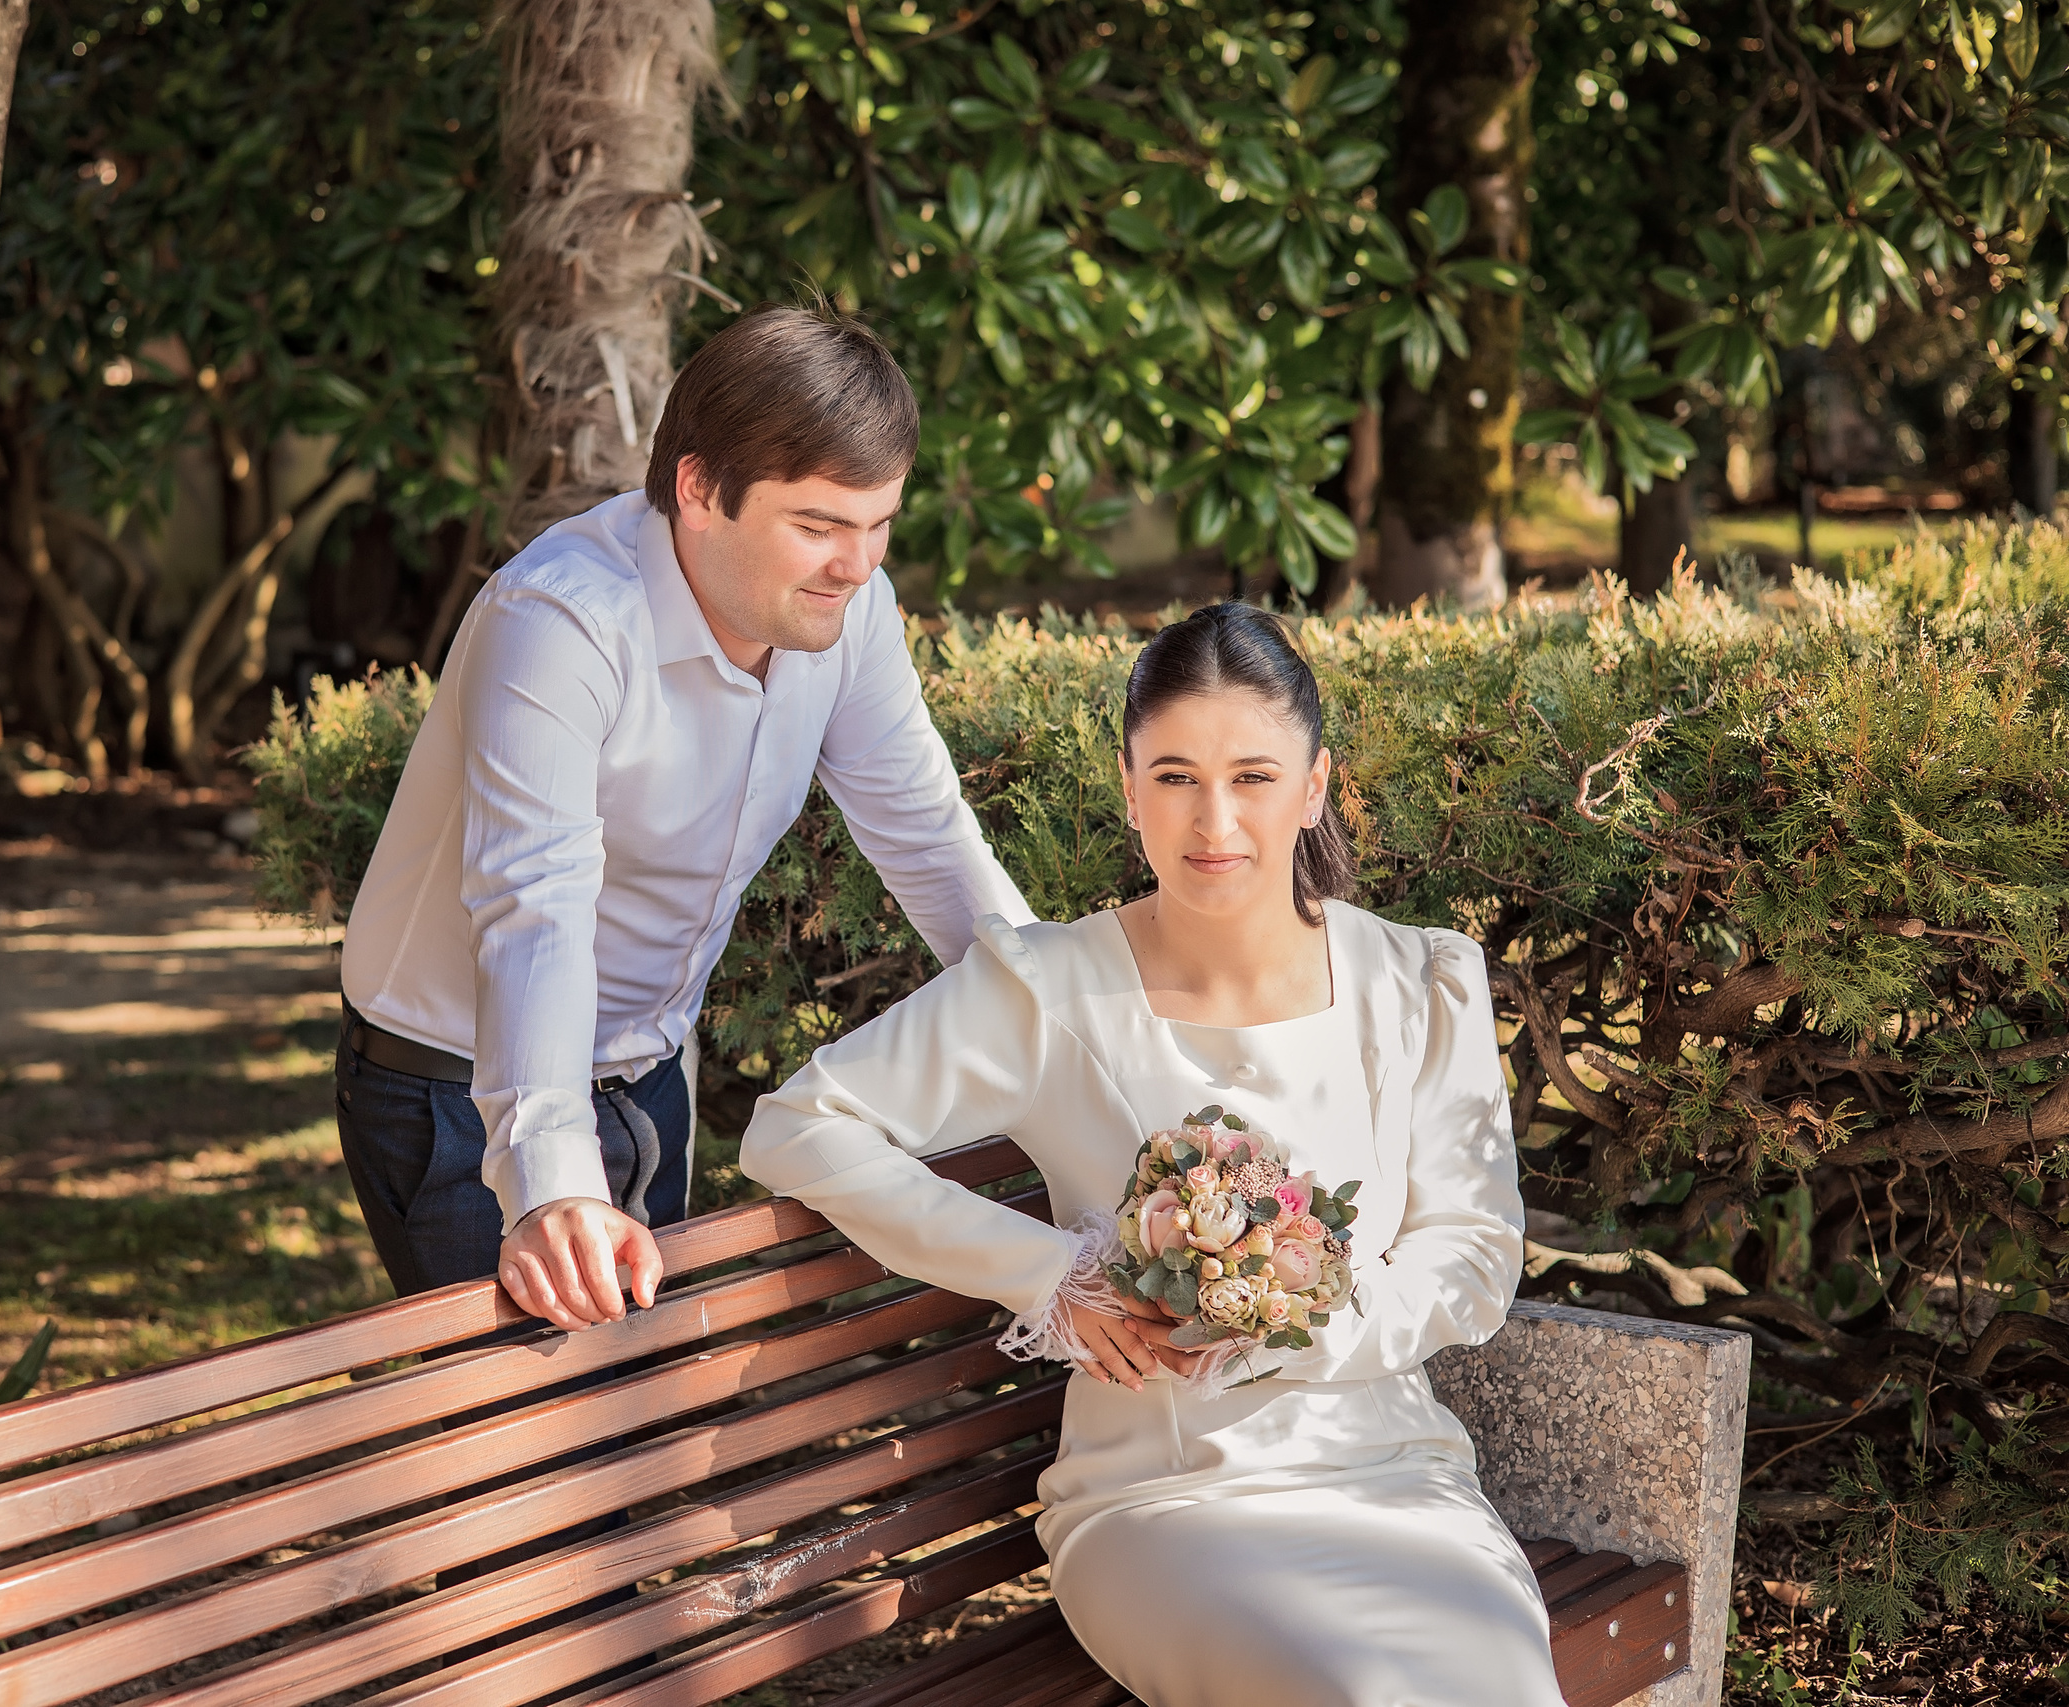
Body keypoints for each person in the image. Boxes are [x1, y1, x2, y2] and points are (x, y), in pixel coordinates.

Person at [739, 602, 1566, 1707]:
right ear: (1129, 790)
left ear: (1313, 786)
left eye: (1253, 778)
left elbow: (1469, 1253)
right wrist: (1050, 1277)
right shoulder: (1045, 989)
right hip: (1163, 1503)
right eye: (1173, 777)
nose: (1212, 821)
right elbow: (797, 1126)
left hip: (1394, 1479)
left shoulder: (1418, 982)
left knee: (1498, 1682)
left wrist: (1290, 1325)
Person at [335, 302, 1033, 1329]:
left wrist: (1072, 1029)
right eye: (818, 526)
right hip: (456, 1095)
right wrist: (555, 1184)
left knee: (628, 1437)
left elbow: (926, 836)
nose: (859, 564)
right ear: (700, 490)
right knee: (538, 1465)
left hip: (651, 1080)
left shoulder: (849, 612)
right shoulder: (561, 622)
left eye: (878, 524)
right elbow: (538, 911)